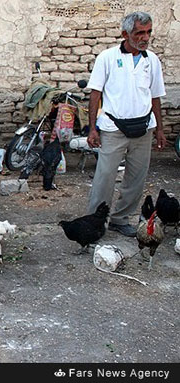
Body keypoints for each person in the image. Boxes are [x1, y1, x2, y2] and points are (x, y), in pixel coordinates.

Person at [86, 11, 166, 237]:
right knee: (104, 179)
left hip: (144, 128)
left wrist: (159, 128)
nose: (145, 37)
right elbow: (95, 93)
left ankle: (120, 219)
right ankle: (95, 221)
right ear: (125, 34)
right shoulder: (107, 57)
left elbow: (155, 95)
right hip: (113, 128)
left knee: (136, 179)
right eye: (139, 32)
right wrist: (93, 128)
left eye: (148, 32)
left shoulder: (152, 60)